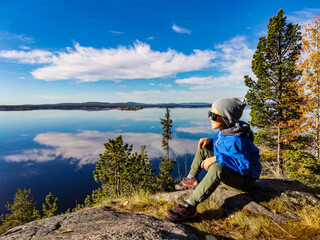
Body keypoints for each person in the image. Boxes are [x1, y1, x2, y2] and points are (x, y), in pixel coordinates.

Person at [164, 97, 261, 222]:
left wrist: (217, 158)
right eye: (210, 114)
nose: (210, 118)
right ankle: (191, 179)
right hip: (235, 173)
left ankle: (190, 206)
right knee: (204, 148)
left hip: (245, 181)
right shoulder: (227, 130)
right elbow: (223, 143)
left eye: (214, 116)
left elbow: (243, 167)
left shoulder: (237, 141)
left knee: (217, 168)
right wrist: (211, 140)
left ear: (227, 118)